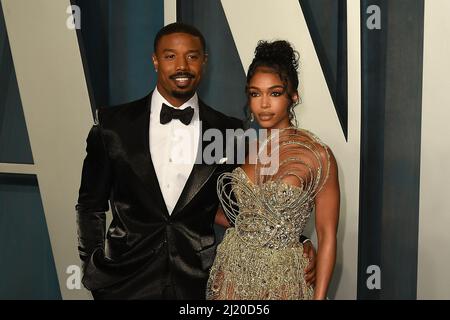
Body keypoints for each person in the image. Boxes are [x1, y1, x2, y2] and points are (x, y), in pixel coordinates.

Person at [76, 22, 316, 300]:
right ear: (155, 61)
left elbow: (244, 207)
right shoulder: (112, 125)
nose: (182, 66)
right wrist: (92, 269)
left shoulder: (229, 132)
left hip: (198, 282)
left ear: (204, 61)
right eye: (170, 56)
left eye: (191, 56)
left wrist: (297, 240)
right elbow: (89, 205)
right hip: (125, 281)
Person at [207, 40, 340, 300]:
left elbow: (327, 235)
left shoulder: (317, 155)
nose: (264, 104)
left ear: (294, 95)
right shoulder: (243, 148)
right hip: (232, 273)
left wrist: (320, 297)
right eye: (255, 94)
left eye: (275, 93)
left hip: (283, 280)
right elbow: (227, 214)